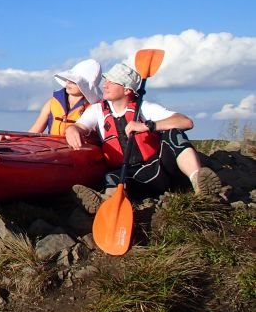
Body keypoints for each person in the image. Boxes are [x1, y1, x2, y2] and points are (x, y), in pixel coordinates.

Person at [65, 62, 223, 213]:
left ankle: (199, 183)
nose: (105, 85)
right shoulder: (97, 110)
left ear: (127, 90)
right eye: (106, 81)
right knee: (112, 177)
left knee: (174, 134)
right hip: (131, 176)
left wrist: (147, 126)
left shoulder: (144, 108)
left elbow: (185, 122)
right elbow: (81, 126)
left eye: (112, 82)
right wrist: (72, 129)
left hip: (160, 170)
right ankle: (109, 205)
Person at [28, 59, 102, 135]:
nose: (68, 82)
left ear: (85, 87)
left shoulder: (93, 109)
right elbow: (33, 133)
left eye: (73, 81)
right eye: (68, 78)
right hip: (51, 146)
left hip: (78, 147)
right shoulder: (51, 103)